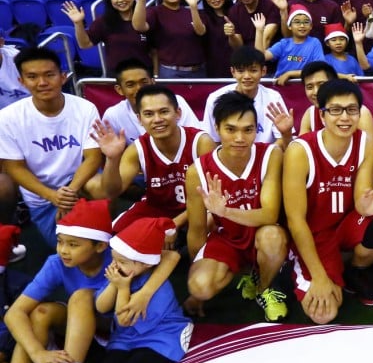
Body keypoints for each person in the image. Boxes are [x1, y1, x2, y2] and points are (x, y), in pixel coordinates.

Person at [25, 217, 191, 363]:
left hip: (161, 338)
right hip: (125, 338)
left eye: (122, 261)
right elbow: (101, 306)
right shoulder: (121, 274)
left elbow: (124, 319)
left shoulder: (156, 286)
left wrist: (122, 288)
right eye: (114, 259)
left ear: (144, 263)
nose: (114, 265)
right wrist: (116, 284)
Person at [283, 80, 373, 322]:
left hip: (345, 225)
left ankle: (352, 271)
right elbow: (295, 221)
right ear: (322, 114)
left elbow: (360, 198)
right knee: (324, 313)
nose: (344, 117)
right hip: (314, 234)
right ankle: (311, 270)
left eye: (351, 110)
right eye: (335, 110)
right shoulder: (300, 151)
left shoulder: (364, 141)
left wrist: (366, 206)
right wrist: (319, 277)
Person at [186, 92, 289, 322]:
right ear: (217, 128)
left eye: (248, 130)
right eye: (230, 129)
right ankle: (245, 273)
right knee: (200, 287)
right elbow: (196, 230)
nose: (240, 138)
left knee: (272, 236)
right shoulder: (197, 171)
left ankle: (263, 287)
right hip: (226, 239)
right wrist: (199, 271)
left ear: (257, 129)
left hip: (261, 235)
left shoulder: (270, 155)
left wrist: (225, 212)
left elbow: (269, 214)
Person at [3, 200, 112, 363]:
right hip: (82, 326)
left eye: (73, 244)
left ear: (100, 245)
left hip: (118, 326)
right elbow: (14, 313)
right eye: (60, 241)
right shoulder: (57, 262)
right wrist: (38, 353)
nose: (63, 250)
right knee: (41, 311)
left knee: (80, 296)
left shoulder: (117, 257)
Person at [0, 48, 102, 247]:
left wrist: (69, 193)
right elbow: (14, 167)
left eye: (49, 75)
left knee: (101, 186)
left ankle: (108, 221)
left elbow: (93, 157)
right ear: (21, 82)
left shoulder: (85, 108)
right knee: (66, 252)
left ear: (63, 77)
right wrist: (53, 196)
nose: (42, 83)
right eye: (32, 77)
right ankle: (7, 237)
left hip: (80, 188)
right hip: (43, 198)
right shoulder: (7, 118)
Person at [94, 83, 215, 232]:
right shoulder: (137, 149)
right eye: (149, 114)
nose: (157, 119)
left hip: (199, 209)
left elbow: (212, 195)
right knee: (116, 234)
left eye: (163, 112)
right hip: (157, 210)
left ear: (178, 113)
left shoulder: (201, 142)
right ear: (139, 118)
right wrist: (112, 159)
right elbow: (111, 192)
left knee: (210, 222)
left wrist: (174, 224)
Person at [201, 47, 293, 148]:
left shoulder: (273, 97)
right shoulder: (215, 98)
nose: (247, 76)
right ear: (233, 72)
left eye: (253, 70)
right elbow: (212, 140)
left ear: (263, 71)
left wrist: (262, 157)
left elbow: (281, 140)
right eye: (241, 71)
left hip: (265, 159)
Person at [95, 59, 200, 145]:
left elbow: (196, 138)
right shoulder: (113, 115)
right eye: (130, 85)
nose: (139, 89)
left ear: (153, 82)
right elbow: (112, 150)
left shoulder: (176, 101)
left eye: (144, 82)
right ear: (119, 90)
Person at [131, 0, 207, 78]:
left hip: (198, 71)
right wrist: (142, 0)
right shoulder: (155, 12)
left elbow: (200, 31)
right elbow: (139, 26)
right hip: (171, 72)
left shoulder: (191, 11)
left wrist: (193, 7)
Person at [63, 0, 149, 74]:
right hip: (116, 75)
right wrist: (78, 23)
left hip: (144, 73)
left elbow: (154, 51)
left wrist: (156, 74)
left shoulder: (146, 17)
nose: (120, 0)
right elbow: (85, 44)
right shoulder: (103, 22)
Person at [259, 5, 325, 84]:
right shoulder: (284, 44)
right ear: (289, 26)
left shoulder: (314, 43)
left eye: (306, 22)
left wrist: (290, 74)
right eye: (297, 22)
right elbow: (261, 57)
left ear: (311, 26)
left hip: (305, 85)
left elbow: (320, 68)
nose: (302, 25)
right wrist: (259, 31)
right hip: (281, 85)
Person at [199, 0, 235, 78]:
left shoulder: (235, 12)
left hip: (236, 66)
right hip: (213, 68)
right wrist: (193, 6)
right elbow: (200, 31)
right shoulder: (201, 15)